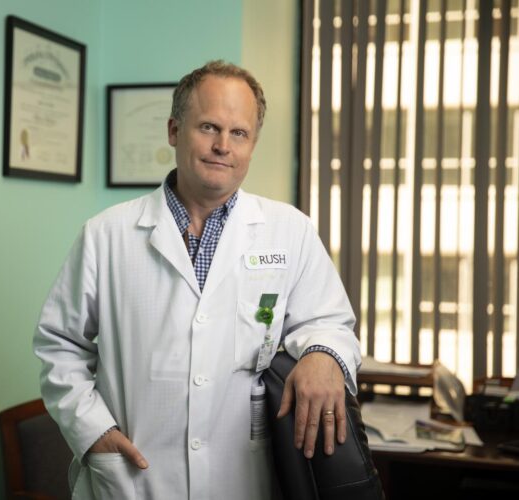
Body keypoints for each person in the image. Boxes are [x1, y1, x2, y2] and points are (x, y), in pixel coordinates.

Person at [33, 60, 361, 499]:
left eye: (239, 133)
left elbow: (330, 321)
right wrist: (93, 432)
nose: (223, 146)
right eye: (209, 127)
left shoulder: (290, 230)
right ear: (174, 130)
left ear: (252, 144)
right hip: (134, 480)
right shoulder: (106, 234)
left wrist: (323, 354)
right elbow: (60, 345)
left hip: (244, 478)